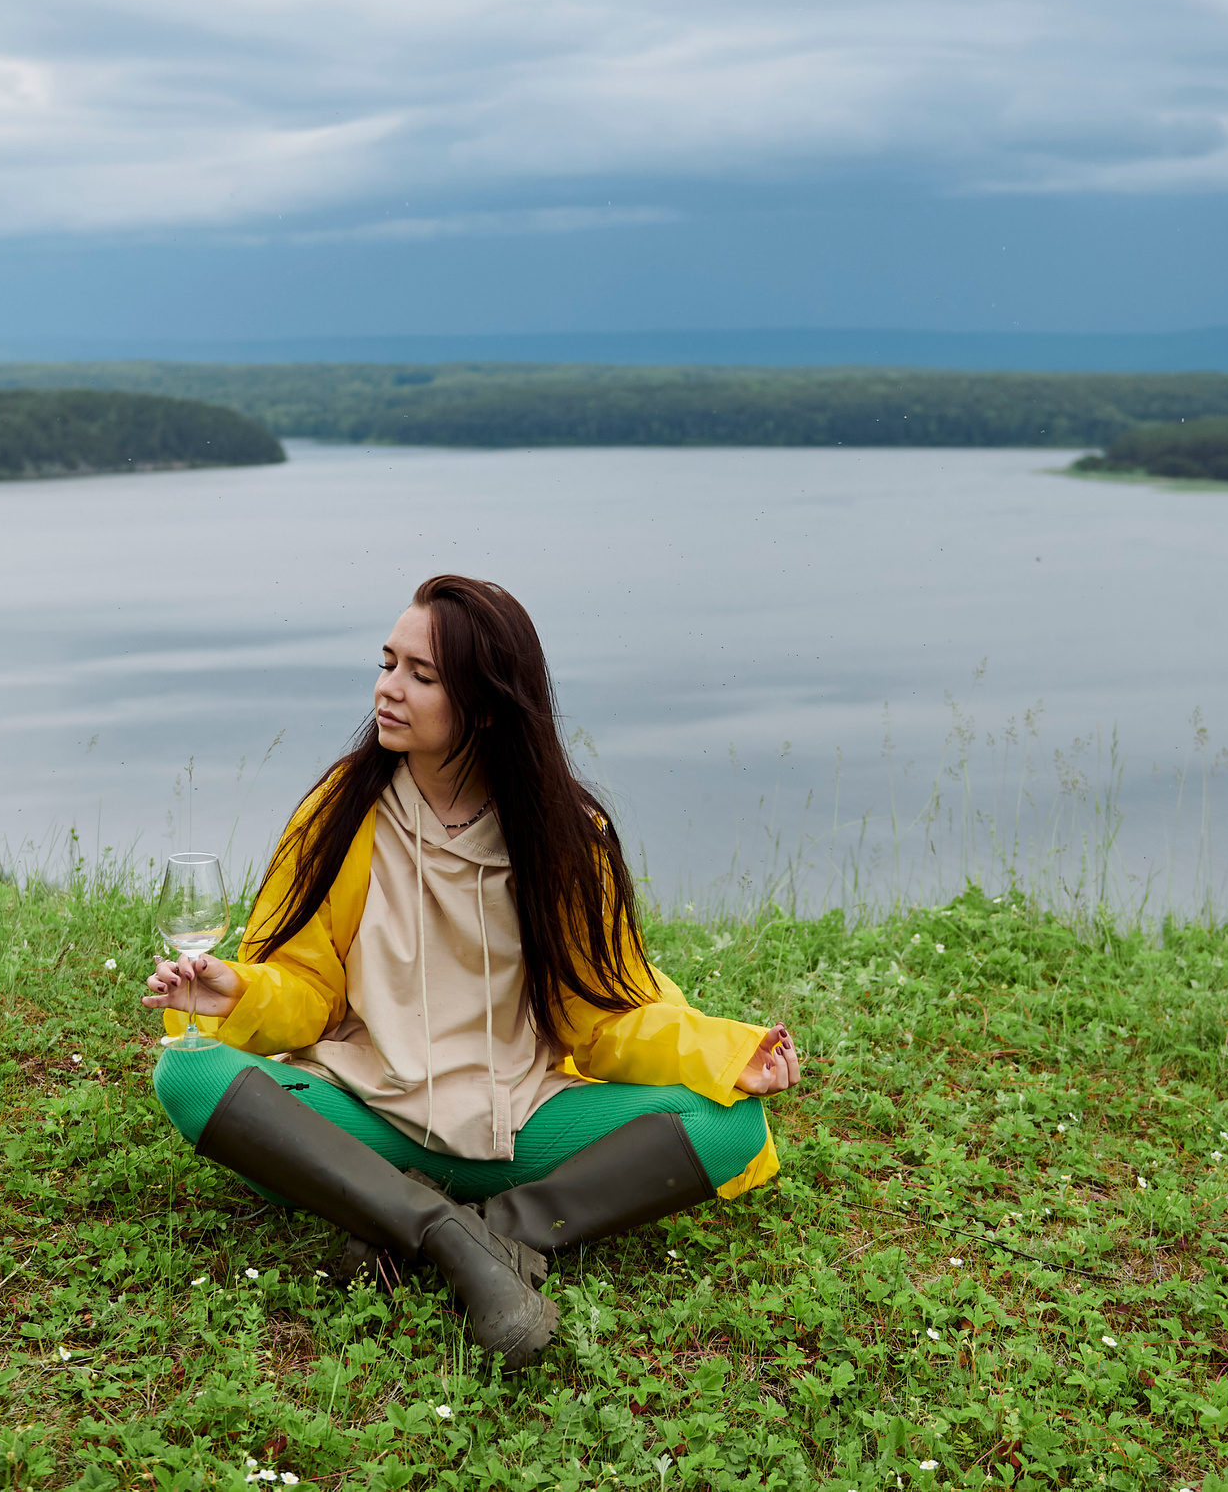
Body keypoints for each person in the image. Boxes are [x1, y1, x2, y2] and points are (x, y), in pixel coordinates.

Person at [144, 573, 802, 1370]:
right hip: (368, 1112)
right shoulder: (340, 812)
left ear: (486, 704)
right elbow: (308, 993)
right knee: (187, 1073)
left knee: (731, 1124)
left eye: (420, 675)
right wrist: (236, 990)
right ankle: (451, 1237)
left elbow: (603, 1016)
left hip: (518, 1121)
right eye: (388, 664)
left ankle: (481, 1224)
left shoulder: (566, 835)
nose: (388, 689)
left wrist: (730, 1055)